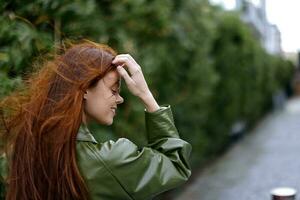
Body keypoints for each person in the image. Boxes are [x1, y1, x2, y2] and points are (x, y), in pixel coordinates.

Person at [0, 40, 192, 200]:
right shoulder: (107, 161)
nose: (120, 98)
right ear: (84, 87)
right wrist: (146, 95)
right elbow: (175, 164)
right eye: (114, 90)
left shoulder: (26, 148)